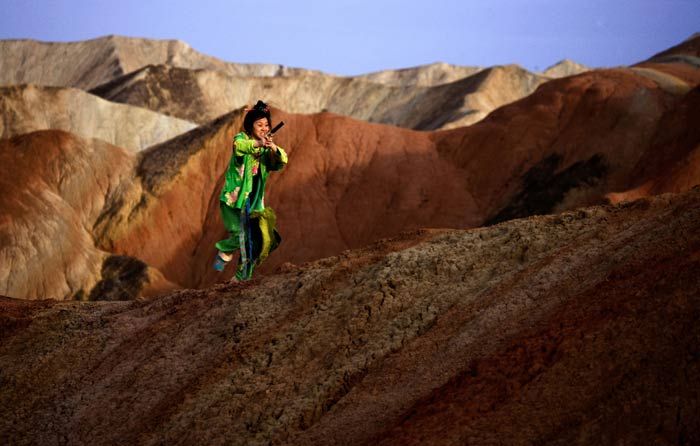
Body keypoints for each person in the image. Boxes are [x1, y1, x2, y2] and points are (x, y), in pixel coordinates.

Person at [213, 100, 288, 281]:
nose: (264, 128)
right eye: (259, 124)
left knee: (263, 240)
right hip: (234, 201)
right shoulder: (242, 139)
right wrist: (258, 144)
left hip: (254, 204)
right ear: (250, 126)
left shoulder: (266, 151)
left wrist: (272, 148)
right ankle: (230, 260)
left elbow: (281, 161)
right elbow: (240, 147)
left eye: (267, 125)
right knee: (242, 237)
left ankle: (241, 275)